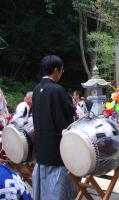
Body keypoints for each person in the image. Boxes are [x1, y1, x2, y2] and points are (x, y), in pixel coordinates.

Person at [32, 55, 77, 200]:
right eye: (62, 70)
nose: (62, 73)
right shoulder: (57, 90)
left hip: (41, 148)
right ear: (56, 70)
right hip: (57, 150)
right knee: (57, 191)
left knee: (44, 191)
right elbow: (68, 114)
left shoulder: (37, 89)